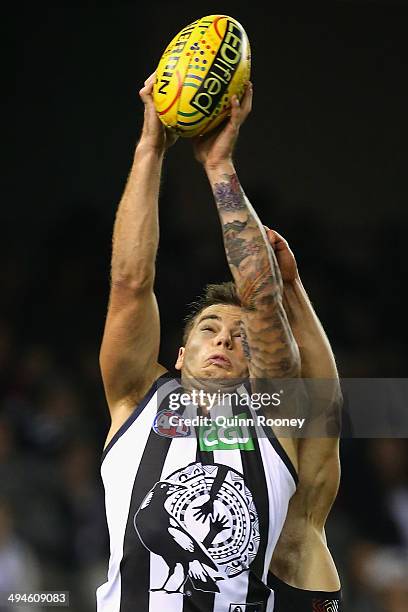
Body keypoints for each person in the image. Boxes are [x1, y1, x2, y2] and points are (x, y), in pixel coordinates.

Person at [96, 72, 342, 612]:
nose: (226, 339)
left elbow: (263, 305)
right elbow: (130, 284)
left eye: (240, 338)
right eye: (208, 328)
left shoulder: (271, 412)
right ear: (178, 355)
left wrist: (219, 166)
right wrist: (150, 148)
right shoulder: (138, 398)